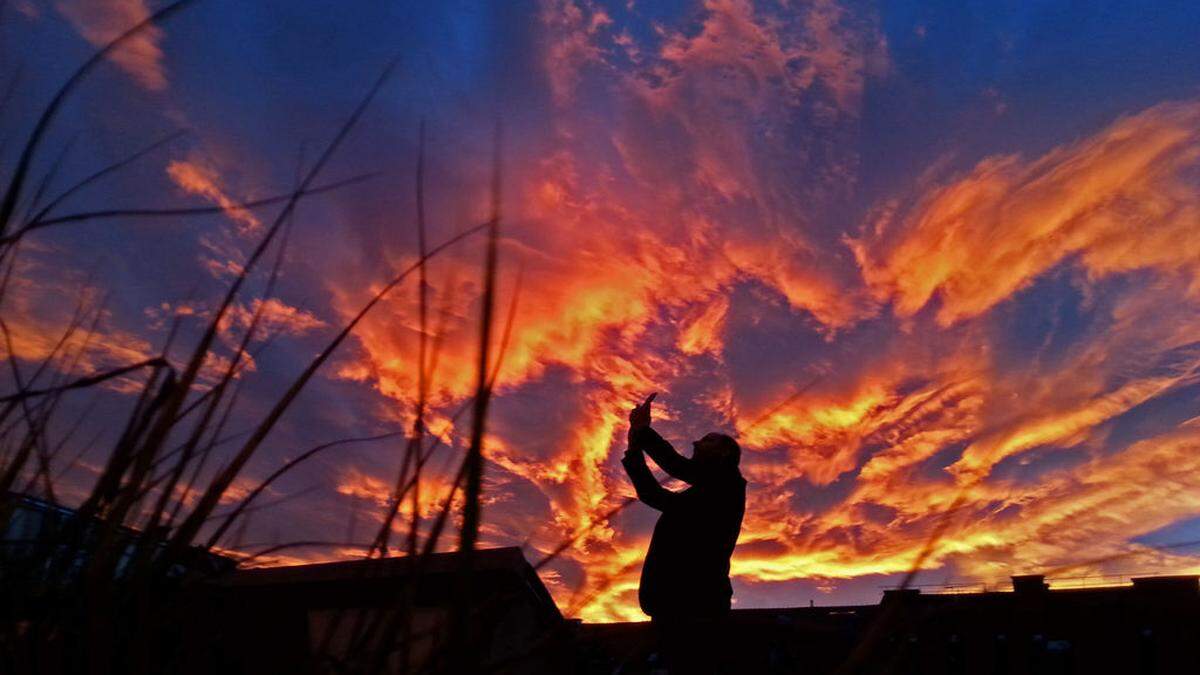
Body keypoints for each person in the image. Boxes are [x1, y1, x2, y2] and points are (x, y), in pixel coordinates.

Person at [621, 393, 746, 673]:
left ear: (725, 454)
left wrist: (643, 432)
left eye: (709, 440)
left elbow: (678, 467)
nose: (696, 443)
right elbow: (653, 495)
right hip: (674, 603)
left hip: (699, 604)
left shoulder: (729, 484)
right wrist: (633, 450)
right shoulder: (700, 496)